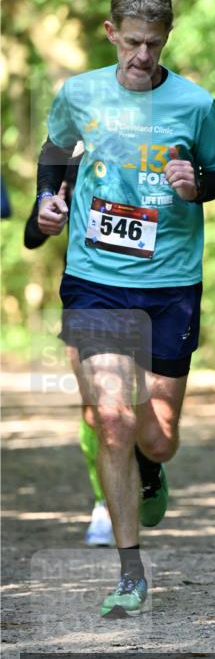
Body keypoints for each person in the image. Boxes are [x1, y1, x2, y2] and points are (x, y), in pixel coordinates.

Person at [36, 0, 215, 618]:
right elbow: (56, 151)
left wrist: (195, 184)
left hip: (171, 282)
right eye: (132, 41)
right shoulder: (80, 93)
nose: (142, 55)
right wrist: (50, 200)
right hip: (96, 277)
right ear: (111, 32)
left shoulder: (194, 103)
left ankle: (150, 472)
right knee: (114, 419)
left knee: (159, 437)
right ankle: (130, 570)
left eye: (153, 44)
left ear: (166, 40)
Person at [24, 168, 113, 547]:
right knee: (96, 407)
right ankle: (104, 503)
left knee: (148, 422)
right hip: (87, 297)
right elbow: (31, 236)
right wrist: (48, 215)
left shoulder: (153, 147)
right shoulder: (70, 160)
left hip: (154, 295)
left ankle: (148, 465)